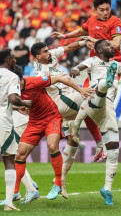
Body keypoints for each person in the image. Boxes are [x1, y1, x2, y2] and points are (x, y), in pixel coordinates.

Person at [70, 39, 121, 206]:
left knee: (113, 151)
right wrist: (75, 69)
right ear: (99, 50)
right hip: (93, 98)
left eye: (112, 46)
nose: (112, 47)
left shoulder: (116, 64)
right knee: (101, 91)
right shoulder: (93, 61)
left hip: (108, 110)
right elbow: (80, 67)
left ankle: (107, 189)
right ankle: (106, 83)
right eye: (108, 46)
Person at [31, 41, 99, 199]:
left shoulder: (51, 56)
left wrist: (82, 41)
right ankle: (100, 142)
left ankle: (58, 182)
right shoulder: (41, 72)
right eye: (45, 52)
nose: (49, 53)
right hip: (64, 102)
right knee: (93, 94)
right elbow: (63, 81)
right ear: (37, 56)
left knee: (73, 140)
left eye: (48, 50)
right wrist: (81, 89)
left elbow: (68, 47)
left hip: (68, 104)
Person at [13, 65, 92, 203]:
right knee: (20, 154)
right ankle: (14, 192)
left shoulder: (35, 81)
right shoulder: (11, 91)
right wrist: (19, 107)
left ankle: (58, 183)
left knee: (52, 146)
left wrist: (80, 89)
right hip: (34, 121)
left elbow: (60, 78)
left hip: (51, 117)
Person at [0, 49, 32, 211]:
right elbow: (12, 99)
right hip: (2, 120)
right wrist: (26, 103)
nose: (15, 60)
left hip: (5, 114)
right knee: (9, 159)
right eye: (13, 58)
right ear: (10, 61)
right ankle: (8, 203)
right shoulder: (12, 77)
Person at [51, 0, 121, 63]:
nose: (105, 13)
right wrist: (66, 36)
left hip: (111, 61)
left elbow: (116, 44)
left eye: (107, 9)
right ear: (94, 10)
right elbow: (80, 32)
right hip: (95, 61)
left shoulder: (116, 22)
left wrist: (95, 40)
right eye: (102, 10)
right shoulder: (92, 19)